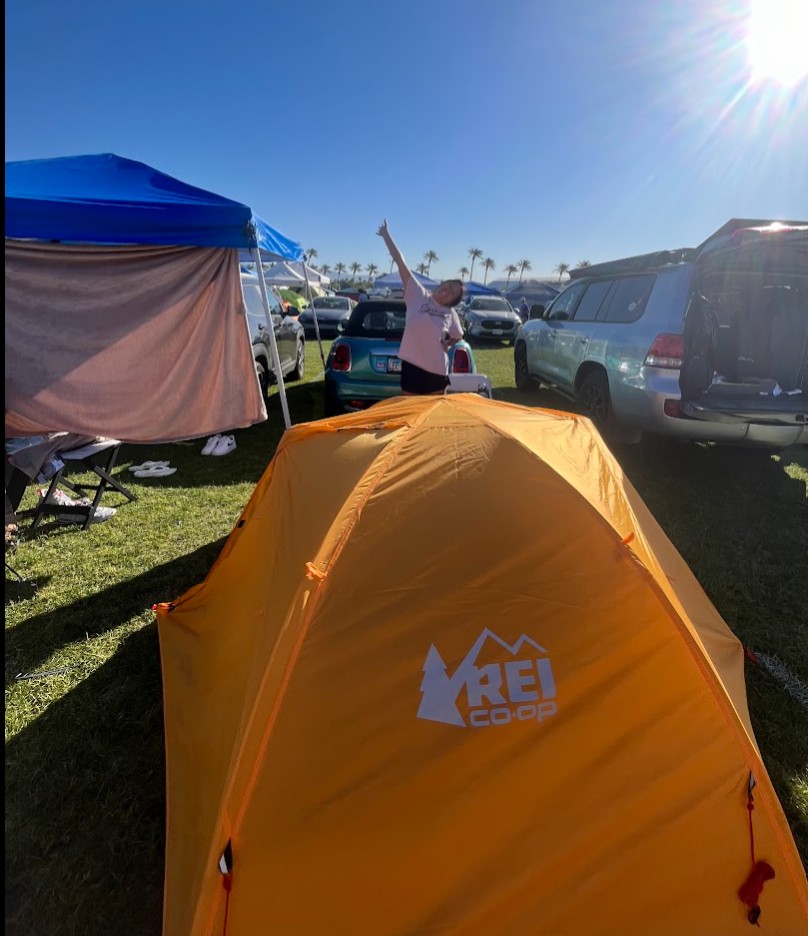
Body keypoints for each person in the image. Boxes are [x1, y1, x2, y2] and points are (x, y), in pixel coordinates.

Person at [377, 219, 464, 395]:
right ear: (442, 283)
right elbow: (400, 262)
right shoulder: (417, 294)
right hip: (412, 368)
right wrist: (386, 235)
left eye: (453, 292)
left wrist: (447, 343)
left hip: (438, 371)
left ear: (451, 302)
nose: (448, 290)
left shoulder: (450, 314)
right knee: (410, 417)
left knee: (432, 420)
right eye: (449, 285)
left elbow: (459, 335)